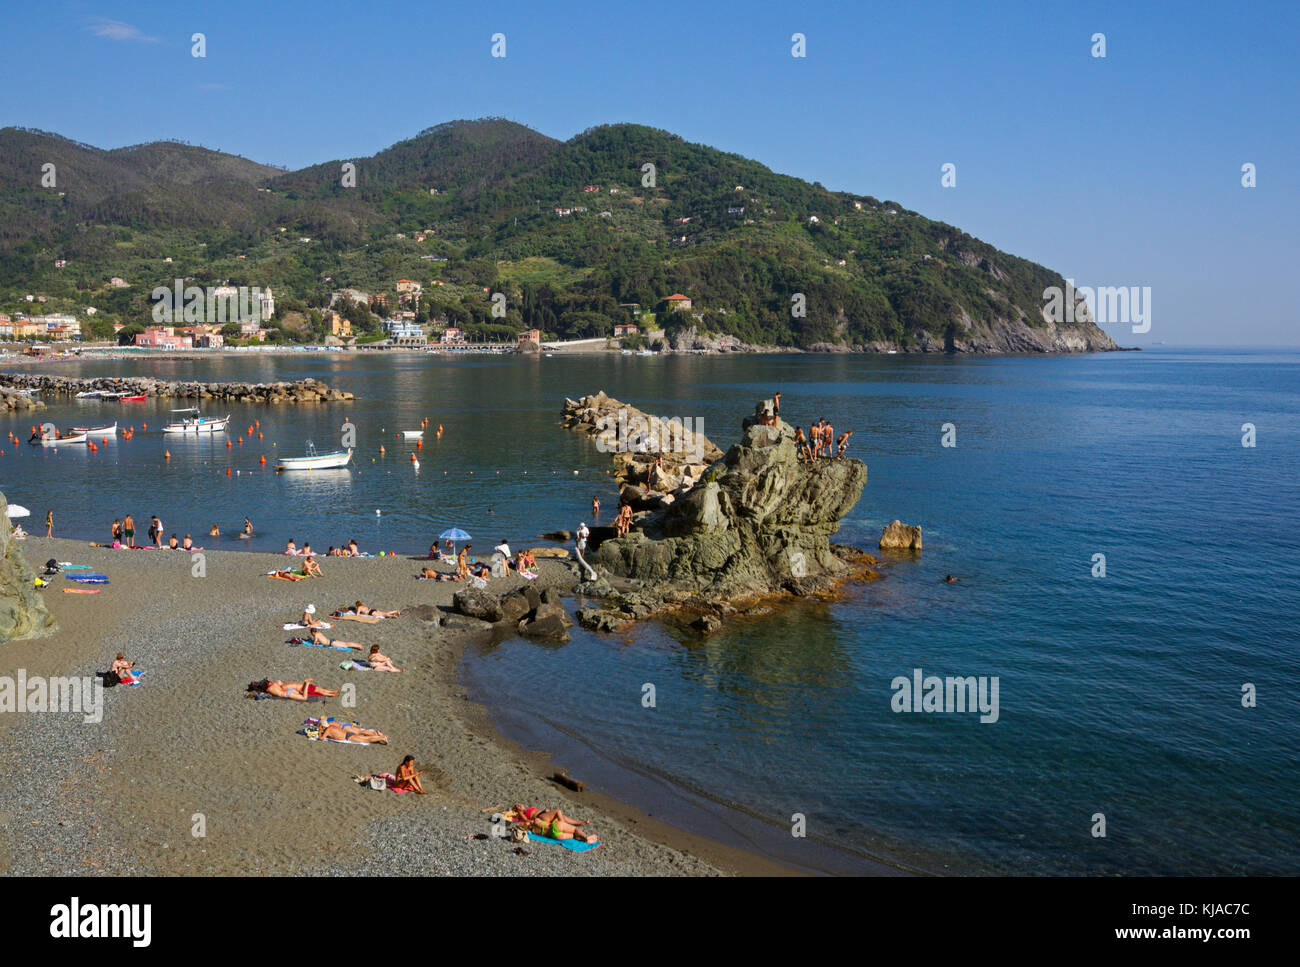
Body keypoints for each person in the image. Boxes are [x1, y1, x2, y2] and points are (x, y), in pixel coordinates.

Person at [319, 721, 388, 744]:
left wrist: (319, 731)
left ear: (322, 726)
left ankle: (381, 737)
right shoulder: (331, 726)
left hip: (348, 736)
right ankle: (380, 736)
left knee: (366, 739)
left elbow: (322, 738)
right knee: (363, 734)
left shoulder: (328, 729)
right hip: (347, 732)